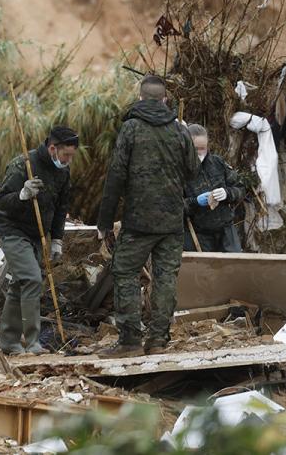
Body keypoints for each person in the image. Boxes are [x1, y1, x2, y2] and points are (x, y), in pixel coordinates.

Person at [96, 75, 198, 358]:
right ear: (165, 100)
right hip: (171, 222)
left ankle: (130, 341)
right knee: (165, 278)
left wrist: (104, 222)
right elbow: (193, 171)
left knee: (126, 273)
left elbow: (115, 177)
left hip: (138, 221)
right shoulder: (180, 131)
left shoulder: (130, 129)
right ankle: (158, 341)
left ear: (141, 98)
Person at [0, 126, 78, 355]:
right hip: (12, 229)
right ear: (52, 148)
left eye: (72, 156)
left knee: (19, 284)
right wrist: (22, 195)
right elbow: (1, 201)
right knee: (31, 279)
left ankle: (9, 341)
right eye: (66, 155)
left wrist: (58, 239)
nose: (68, 160)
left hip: (37, 233)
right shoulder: (24, 164)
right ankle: (32, 342)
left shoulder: (63, 172)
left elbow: (62, 207)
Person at [184, 124, 245, 252]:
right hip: (199, 234)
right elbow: (173, 207)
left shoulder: (217, 163)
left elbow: (240, 189)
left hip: (226, 231)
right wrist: (195, 202)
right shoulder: (180, 171)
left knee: (234, 268)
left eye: (203, 148)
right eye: (195, 149)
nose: (199, 153)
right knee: (204, 270)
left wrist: (227, 193)